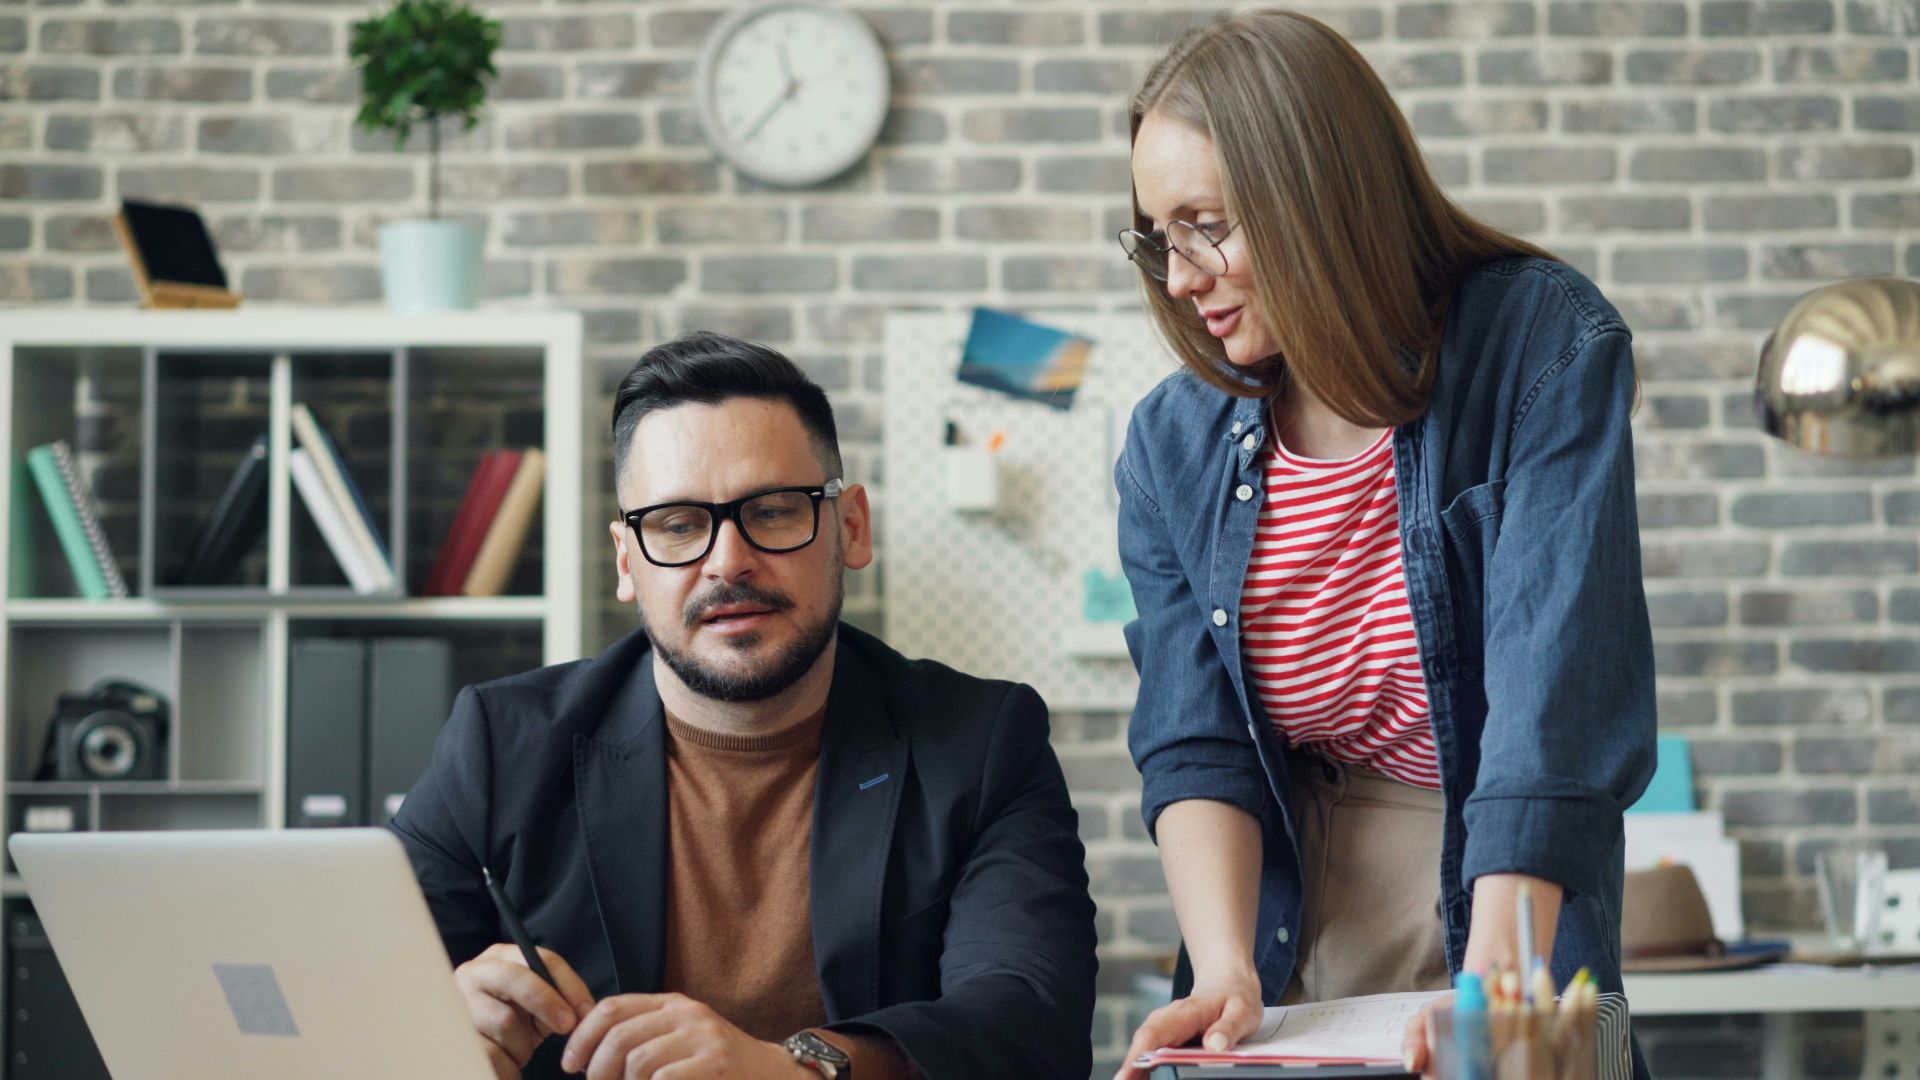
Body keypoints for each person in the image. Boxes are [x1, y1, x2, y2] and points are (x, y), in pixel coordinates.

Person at [1110, 11, 1656, 1079]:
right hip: (1283, 911)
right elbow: (1195, 737)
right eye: (1157, 236)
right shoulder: (1170, 443)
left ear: (1314, 199)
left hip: (1505, 888)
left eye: (1207, 226)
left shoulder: (1538, 345)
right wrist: (1222, 972)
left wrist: (1497, 986)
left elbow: (1556, 688)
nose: (1179, 278)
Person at [392, 331, 1097, 1080]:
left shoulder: (981, 743)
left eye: (774, 510)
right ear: (627, 561)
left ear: (850, 528)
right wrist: (430, 1031)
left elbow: (1032, 1021)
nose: (727, 560)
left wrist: (796, 1068)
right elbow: (349, 994)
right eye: (677, 525)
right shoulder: (500, 744)